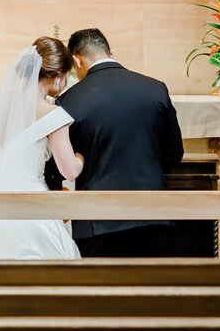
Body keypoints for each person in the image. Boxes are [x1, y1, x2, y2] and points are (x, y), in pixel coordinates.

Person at [44, 26, 184, 257]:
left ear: (77, 61)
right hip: (152, 214)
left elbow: (59, 169)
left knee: (102, 290)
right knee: (152, 289)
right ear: (110, 52)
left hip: (97, 221)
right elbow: (174, 153)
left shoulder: (69, 101)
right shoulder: (155, 88)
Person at [0, 36, 83, 260]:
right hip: (30, 206)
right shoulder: (53, 115)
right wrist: (81, 157)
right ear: (57, 77)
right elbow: (69, 171)